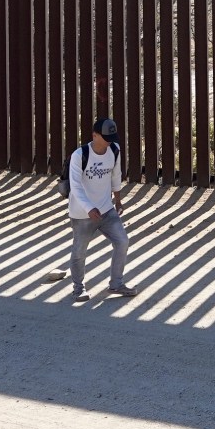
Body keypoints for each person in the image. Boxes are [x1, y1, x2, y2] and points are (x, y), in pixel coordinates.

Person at [66, 117, 133, 299]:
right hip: (82, 213)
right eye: (105, 137)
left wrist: (118, 200)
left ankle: (116, 284)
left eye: (112, 136)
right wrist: (88, 208)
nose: (109, 140)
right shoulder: (80, 155)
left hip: (106, 209)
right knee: (79, 251)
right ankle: (78, 288)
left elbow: (115, 176)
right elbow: (76, 186)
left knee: (122, 242)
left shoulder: (114, 150)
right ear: (94, 135)